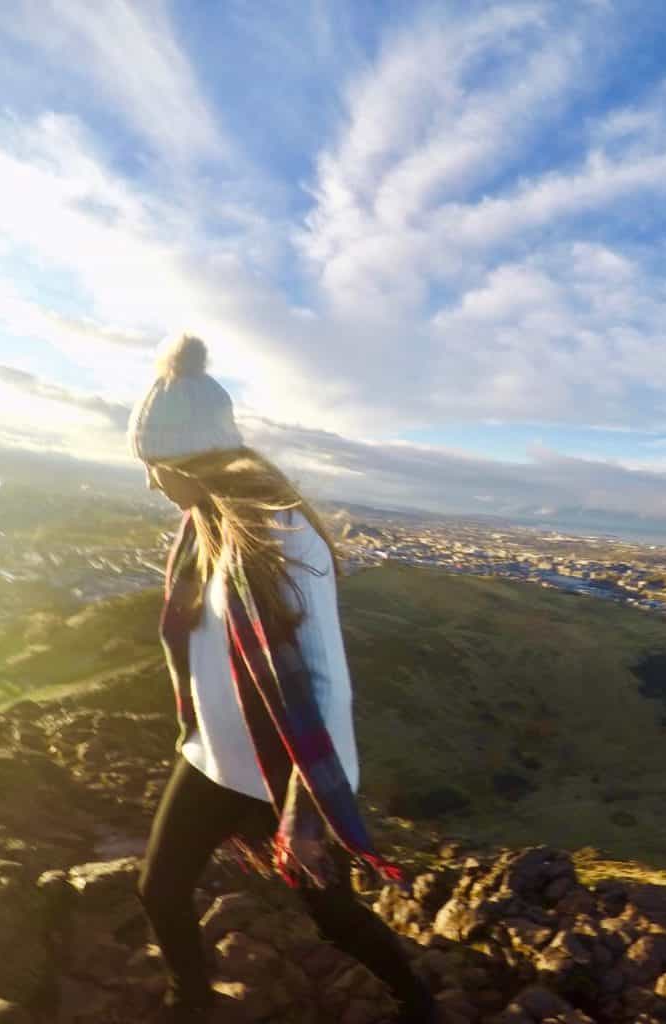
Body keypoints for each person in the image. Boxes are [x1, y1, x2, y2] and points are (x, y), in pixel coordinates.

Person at [127, 333, 438, 1023]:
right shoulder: (200, 528)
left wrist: (302, 813)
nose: (150, 480)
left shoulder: (282, 535)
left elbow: (326, 684)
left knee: (333, 919)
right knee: (159, 888)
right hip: (208, 762)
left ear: (192, 459)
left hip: (280, 776)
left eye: (155, 464)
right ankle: (191, 1003)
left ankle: (419, 1004)